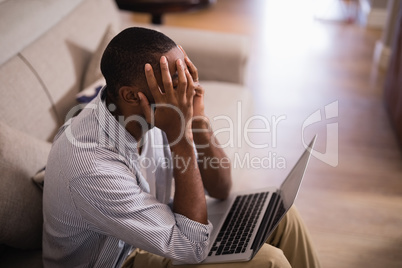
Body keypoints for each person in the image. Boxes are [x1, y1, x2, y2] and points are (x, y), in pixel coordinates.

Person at [42, 27, 321, 268]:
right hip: (120, 261)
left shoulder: (150, 110)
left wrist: (197, 118)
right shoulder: (89, 166)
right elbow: (192, 247)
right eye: (175, 83)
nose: (185, 91)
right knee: (270, 262)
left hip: (150, 233)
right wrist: (180, 135)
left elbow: (221, 187)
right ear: (130, 95)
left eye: (187, 76)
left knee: (283, 216)